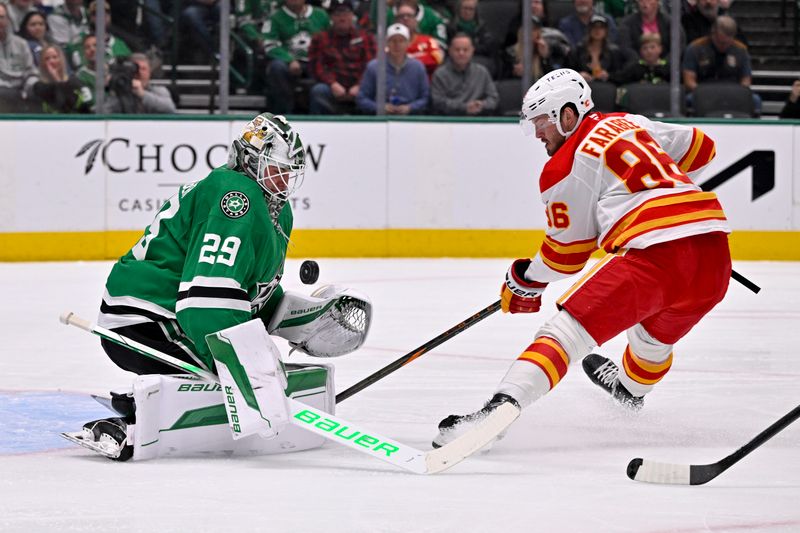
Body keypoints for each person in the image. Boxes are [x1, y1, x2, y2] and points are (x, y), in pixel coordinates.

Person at [432, 68, 731, 449]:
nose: (538, 133)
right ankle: (629, 389)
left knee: (564, 333)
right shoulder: (629, 121)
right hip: (714, 255)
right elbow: (703, 147)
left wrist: (522, 279)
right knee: (651, 341)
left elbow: (565, 257)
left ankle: (499, 410)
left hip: (656, 256)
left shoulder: (565, 165)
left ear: (567, 115)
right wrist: (662, 181)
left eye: (541, 122)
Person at [70, 113, 372, 461]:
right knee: (236, 377)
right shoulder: (235, 194)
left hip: (174, 316)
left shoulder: (277, 210)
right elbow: (205, 302)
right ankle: (133, 420)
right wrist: (248, 368)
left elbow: (247, 290)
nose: (285, 178)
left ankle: (155, 404)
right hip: (145, 319)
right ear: (250, 160)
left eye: (290, 170)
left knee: (246, 376)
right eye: (277, 167)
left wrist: (299, 318)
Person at [308, 0, 375, 114]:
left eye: (346, 14)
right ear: (331, 17)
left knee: (376, 92)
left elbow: (371, 65)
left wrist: (359, 85)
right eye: (337, 14)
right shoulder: (320, 39)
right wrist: (333, 84)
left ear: (352, 16)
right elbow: (317, 67)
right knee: (318, 91)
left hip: (360, 87)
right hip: (332, 87)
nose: (342, 18)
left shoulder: (365, 38)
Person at [262, 0, 330, 114]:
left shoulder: (321, 15)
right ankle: (284, 114)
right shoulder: (275, 18)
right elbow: (269, 45)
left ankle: (319, 117)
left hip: (317, 62)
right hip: (289, 64)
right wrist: (289, 60)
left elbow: (332, 41)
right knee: (277, 67)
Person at [682, 15, 759, 115]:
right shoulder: (695, 48)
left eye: (727, 43)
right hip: (704, 92)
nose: (723, 46)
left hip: (733, 93)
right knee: (688, 100)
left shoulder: (741, 50)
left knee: (755, 100)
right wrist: (705, 93)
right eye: (720, 42)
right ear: (713, 34)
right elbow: (689, 81)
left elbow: (746, 81)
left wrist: (734, 93)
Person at [356, 23, 429, 115]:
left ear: (408, 43)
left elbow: (425, 98)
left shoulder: (418, 67)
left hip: (411, 119)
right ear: (386, 43)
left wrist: (410, 107)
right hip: (380, 119)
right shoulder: (374, 67)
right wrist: (379, 107)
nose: (397, 45)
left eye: (401, 41)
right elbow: (362, 98)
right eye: (393, 41)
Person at [431, 32, 498, 115]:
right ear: (450, 51)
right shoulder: (440, 74)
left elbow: (493, 99)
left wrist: (482, 105)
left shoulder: (482, 72)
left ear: (472, 51)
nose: (461, 53)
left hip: (478, 120)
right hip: (450, 121)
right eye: (457, 49)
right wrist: (464, 107)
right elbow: (438, 102)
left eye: (465, 50)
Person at [103, 52, 176, 113]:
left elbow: (170, 108)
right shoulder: (120, 94)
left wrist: (142, 94)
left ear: (149, 72)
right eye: (136, 69)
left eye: (144, 69)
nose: (140, 72)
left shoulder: (158, 91)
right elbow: (101, 112)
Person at [569, 14, 630, 83]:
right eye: (594, 27)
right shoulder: (578, 50)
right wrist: (578, 76)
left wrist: (609, 76)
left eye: (601, 27)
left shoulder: (614, 52)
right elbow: (567, 72)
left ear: (606, 31)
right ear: (589, 29)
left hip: (606, 88)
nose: (597, 30)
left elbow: (621, 75)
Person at [0, 3, 39, 113]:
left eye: (2, 17)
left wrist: (31, 87)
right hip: (2, 93)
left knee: (40, 89)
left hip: (22, 91)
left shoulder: (21, 43)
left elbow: (30, 72)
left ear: (7, 20)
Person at [32, 43, 91, 113]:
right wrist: (56, 78)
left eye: (55, 57)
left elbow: (76, 107)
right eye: (47, 59)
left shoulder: (75, 82)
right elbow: (61, 106)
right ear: (42, 63)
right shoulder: (39, 86)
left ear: (61, 60)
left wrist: (59, 80)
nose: (51, 61)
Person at [396, 0, 445, 79]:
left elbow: (437, 59)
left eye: (409, 16)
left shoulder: (428, 41)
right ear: (396, 21)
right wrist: (420, 56)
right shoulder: (390, 42)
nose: (405, 19)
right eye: (401, 16)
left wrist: (409, 60)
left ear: (416, 21)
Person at [618, 0, 684, 57]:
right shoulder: (627, 23)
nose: (644, 2)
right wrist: (640, 63)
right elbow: (625, 47)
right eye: (641, 0)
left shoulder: (670, 23)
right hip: (636, 66)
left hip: (666, 67)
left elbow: (679, 46)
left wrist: (664, 63)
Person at [446, 0, 497, 68]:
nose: (467, 12)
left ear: (475, 11)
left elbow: (487, 48)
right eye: (465, 8)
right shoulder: (451, 27)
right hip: (457, 57)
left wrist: (470, 49)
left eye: (471, 9)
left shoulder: (481, 27)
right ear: (459, 9)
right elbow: (449, 47)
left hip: (479, 57)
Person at [502, 15, 553, 81]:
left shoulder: (545, 49)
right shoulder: (510, 53)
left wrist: (544, 58)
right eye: (527, 29)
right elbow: (503, 80)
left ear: (538, 32)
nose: (530, 32)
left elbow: (552, 77)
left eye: (534, 29)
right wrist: (514, 73)